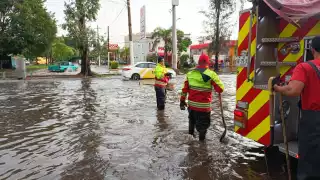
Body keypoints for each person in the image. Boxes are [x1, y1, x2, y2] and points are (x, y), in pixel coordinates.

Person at [273, 36, 320, 180]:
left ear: (312, 50)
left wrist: (277, 88)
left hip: (314, 122)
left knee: (310, 163)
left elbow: (293, 90)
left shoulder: (305, 67)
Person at [180, 53, 224, 141]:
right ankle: (201, 147)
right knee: (203, 128)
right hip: (203, 108)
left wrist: (182, 101)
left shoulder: (190, 74)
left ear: (198, 62)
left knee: (191, 123)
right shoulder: (211, 74)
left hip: (191, 107)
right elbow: (220, 89)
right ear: (207, 62)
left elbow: (184, 90)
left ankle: (191, 146)